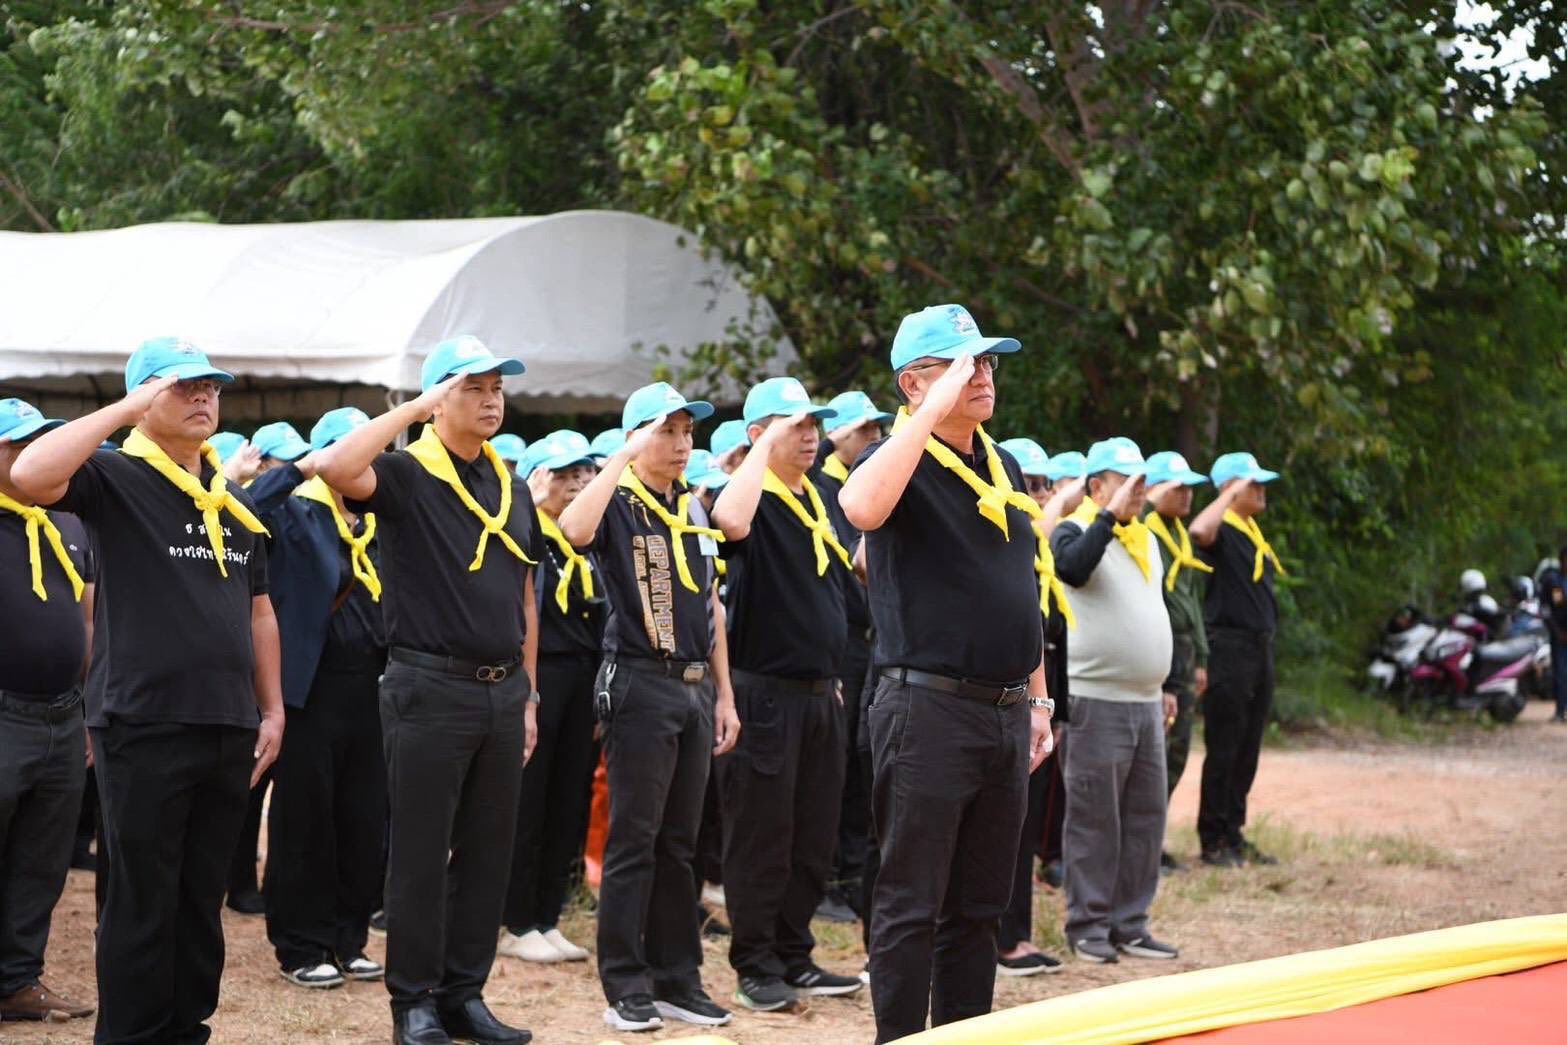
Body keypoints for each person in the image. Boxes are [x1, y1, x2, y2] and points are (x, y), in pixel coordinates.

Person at [13, 337, 285, 1044]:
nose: (203, 398)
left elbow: (260, 610)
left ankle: (184, 1029)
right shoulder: (115, 473)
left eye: (211, 388)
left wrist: (273, 707)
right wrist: (127, 406)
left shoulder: (230, 498)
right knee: (141, 899)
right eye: (183, 386)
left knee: (200, 899)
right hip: (143, 720)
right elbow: (31, 473)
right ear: (144, 398)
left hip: (227, 721)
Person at [838, 304, 1054, 1043]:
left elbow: (1018, 588)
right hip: (927, 709)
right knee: (911, 901)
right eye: (962, 365)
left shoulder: (1004, 463)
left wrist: (1037, 700)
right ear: (913, 382)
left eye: (986, 362)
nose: (982, 374)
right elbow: (860, 507)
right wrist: (927, 415)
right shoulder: (898, 456)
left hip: (1003, 709)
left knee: (980, 905)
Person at [318, 334, 541, 1045]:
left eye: (497, 387)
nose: (491, 400)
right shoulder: (408, 472)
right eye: (473, 387)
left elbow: (523, 592)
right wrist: (414, 407)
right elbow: (334, 466)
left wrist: (529, 694)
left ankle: (462, 993)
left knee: (487, 852)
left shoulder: (508, 482)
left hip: (502, 689)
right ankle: (411, 999)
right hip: (429, 685)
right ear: (439, 399)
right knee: (420, 852)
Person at [558, 382, 741, 1034]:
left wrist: (724, 693)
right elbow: (572, 530)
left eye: (687, 431)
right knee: (635, 840)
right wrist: (620, 456)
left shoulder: (689, 504)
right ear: (637, 438)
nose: (682, 443)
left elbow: (710, 603)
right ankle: (626, 983)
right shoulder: (618, 501)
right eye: (667, 430)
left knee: (679, 843)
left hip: (694, 686)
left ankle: (677, 978)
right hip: (639, 681)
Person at [710, 377, 862, 1012]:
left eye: (812, 424)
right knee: (762, 835)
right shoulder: (749, 495)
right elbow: (728, 521)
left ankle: (795, 953)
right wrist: (759, 448)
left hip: (821, 692)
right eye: (793, 424)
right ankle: (755, 964)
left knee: (813, 835)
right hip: (765, 693)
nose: (809, 435)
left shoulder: (818, 495)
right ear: (759, 434)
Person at [241, 410, 389, 990]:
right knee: (307, 820)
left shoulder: (381, 517)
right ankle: (301, 942)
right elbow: (244, 509)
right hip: (308, 688)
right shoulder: (296, 513)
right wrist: (300, 470)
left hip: (374, 686)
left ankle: (348, 937)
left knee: (363, 818)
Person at [1051, 437, 1179, 964]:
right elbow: (1071, 569)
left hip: (1146, 700)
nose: (1137, 492)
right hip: (1095, 698)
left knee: (1146, 817)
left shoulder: (1144, 538)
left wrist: (1167, 683)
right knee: (1094, 818)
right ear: (1096, 486)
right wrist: (1106, 518)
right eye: (1126, 482)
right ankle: (1088, 924)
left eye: (1141, 482)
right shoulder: (1074, 529)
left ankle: (1131, 922)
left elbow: (1155, 610)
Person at [0, 398, 96, 1024]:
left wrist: (86, 703)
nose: (33, 454)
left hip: (63, 715)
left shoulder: (67, 522)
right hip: (4, 712)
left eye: (40, 442)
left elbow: (86, 616)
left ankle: (16, 981)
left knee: (41, 860)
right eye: (18, 444)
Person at [498, 430, 603, 964]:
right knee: (530, 801)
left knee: (568, 799)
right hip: (540, 678)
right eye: (563, 474)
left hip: (582, 679)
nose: (576, 483)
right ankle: (515, 920)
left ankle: (547, 915)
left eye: (582, 473)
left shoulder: (583, 542)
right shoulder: (524, 534)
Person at [990, 436, 1071, 978]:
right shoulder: (1002, 543)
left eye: (1046, 485)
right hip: (996, 697)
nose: (1040, 494)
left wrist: (1046, 704)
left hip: (1036, 694)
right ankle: (1002, 936)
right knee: (1002, 827)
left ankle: (1015, 933)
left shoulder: (1034, 550)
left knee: (1023, 823)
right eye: (1031, 485)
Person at [814, 391, 893, 929]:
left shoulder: (871, 483)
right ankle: (830, 880)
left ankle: (848, 875)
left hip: (869, 640)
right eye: (863, 430)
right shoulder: (822, 488)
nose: (874, 437)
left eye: (877, 429)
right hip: (839, 642)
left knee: (861, 766)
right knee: (836, 767)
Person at [1189, 451, 1283, 869]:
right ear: (1230, 489)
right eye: (1252, 483)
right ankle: (1212, 838)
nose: (1261, 490)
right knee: (1225, 745)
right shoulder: (1222, 528)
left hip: (1259, 648)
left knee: (1248, 746)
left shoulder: (1250, 530)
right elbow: (1199, 530)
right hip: (1229, 647)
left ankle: (1234, 832)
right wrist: (1228, 495)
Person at [1141, 451, 1213, 872]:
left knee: (1179, 749)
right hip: (1160, 647)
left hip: (1184, 649)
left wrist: (1200, 655)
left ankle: (1154, 839)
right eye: (1177, 487)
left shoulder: (1178, 534)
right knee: (1157, 750)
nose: (1187, 495)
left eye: (1190, 487)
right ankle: (1144, 844)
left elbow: (1190, 601)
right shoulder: (1145, 529)